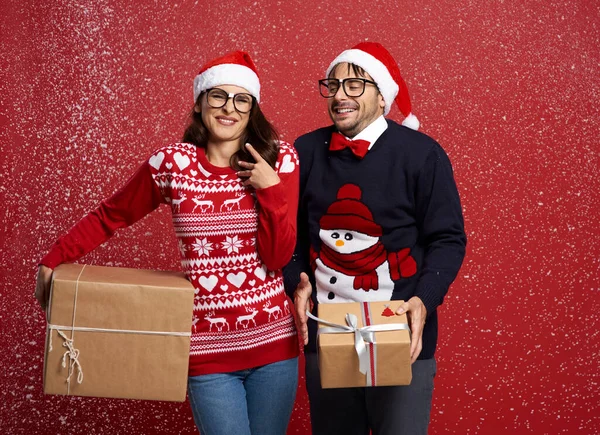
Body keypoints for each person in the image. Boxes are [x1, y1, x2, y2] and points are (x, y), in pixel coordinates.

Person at [35, 51, 300, 435]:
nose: (229, 108)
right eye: (217, 96)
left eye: (241, 99)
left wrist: (271, 190)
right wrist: (54, 258)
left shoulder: (280, 159)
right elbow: (113, 214)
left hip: (273, 348)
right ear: (198, 102)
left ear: (253, 108)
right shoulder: (172, 164)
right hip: (207, 353)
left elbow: (276, 257)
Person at [284, 42, 467, 435]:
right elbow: (289, 236)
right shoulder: (306, 151)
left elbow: (448, 238)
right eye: (333, 85)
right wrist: (295, 280)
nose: (339, 95)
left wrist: (425, 298)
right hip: (328, 332)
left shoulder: (422, 154)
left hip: (399, 335)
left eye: (354, 85)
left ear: (382, 96)